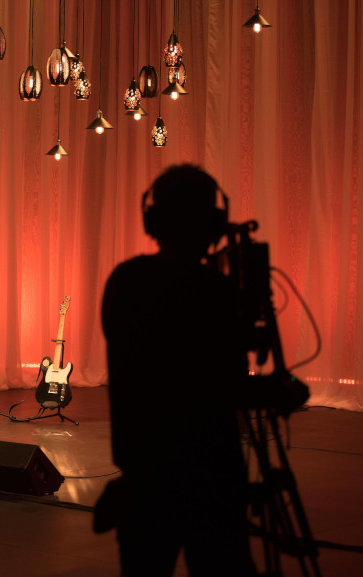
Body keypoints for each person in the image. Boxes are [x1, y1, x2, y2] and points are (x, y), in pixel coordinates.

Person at [98, 165, 256, 576]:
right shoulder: (217, 292)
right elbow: (230, 382)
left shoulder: (125, 281)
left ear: (152, 219)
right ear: (214, 223)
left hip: (144, 476)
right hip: (213, 477)